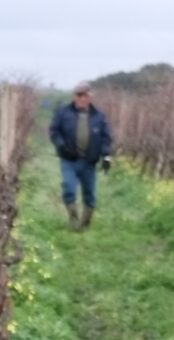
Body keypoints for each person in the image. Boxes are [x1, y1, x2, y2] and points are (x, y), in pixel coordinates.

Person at [49, 82, 112, 230]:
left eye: (84, 95)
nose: (80, 99)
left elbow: (106, 138)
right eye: (78, 95)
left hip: (89, 161)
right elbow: (54, 131)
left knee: (89, 193)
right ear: (74, 96)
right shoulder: (63, 112)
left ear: (89, 97)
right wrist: (61, 145)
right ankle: (73, 217)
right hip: (69, 159)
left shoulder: (99, 116)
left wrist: (106, 156)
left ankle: (86, 221)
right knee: (68, 187)